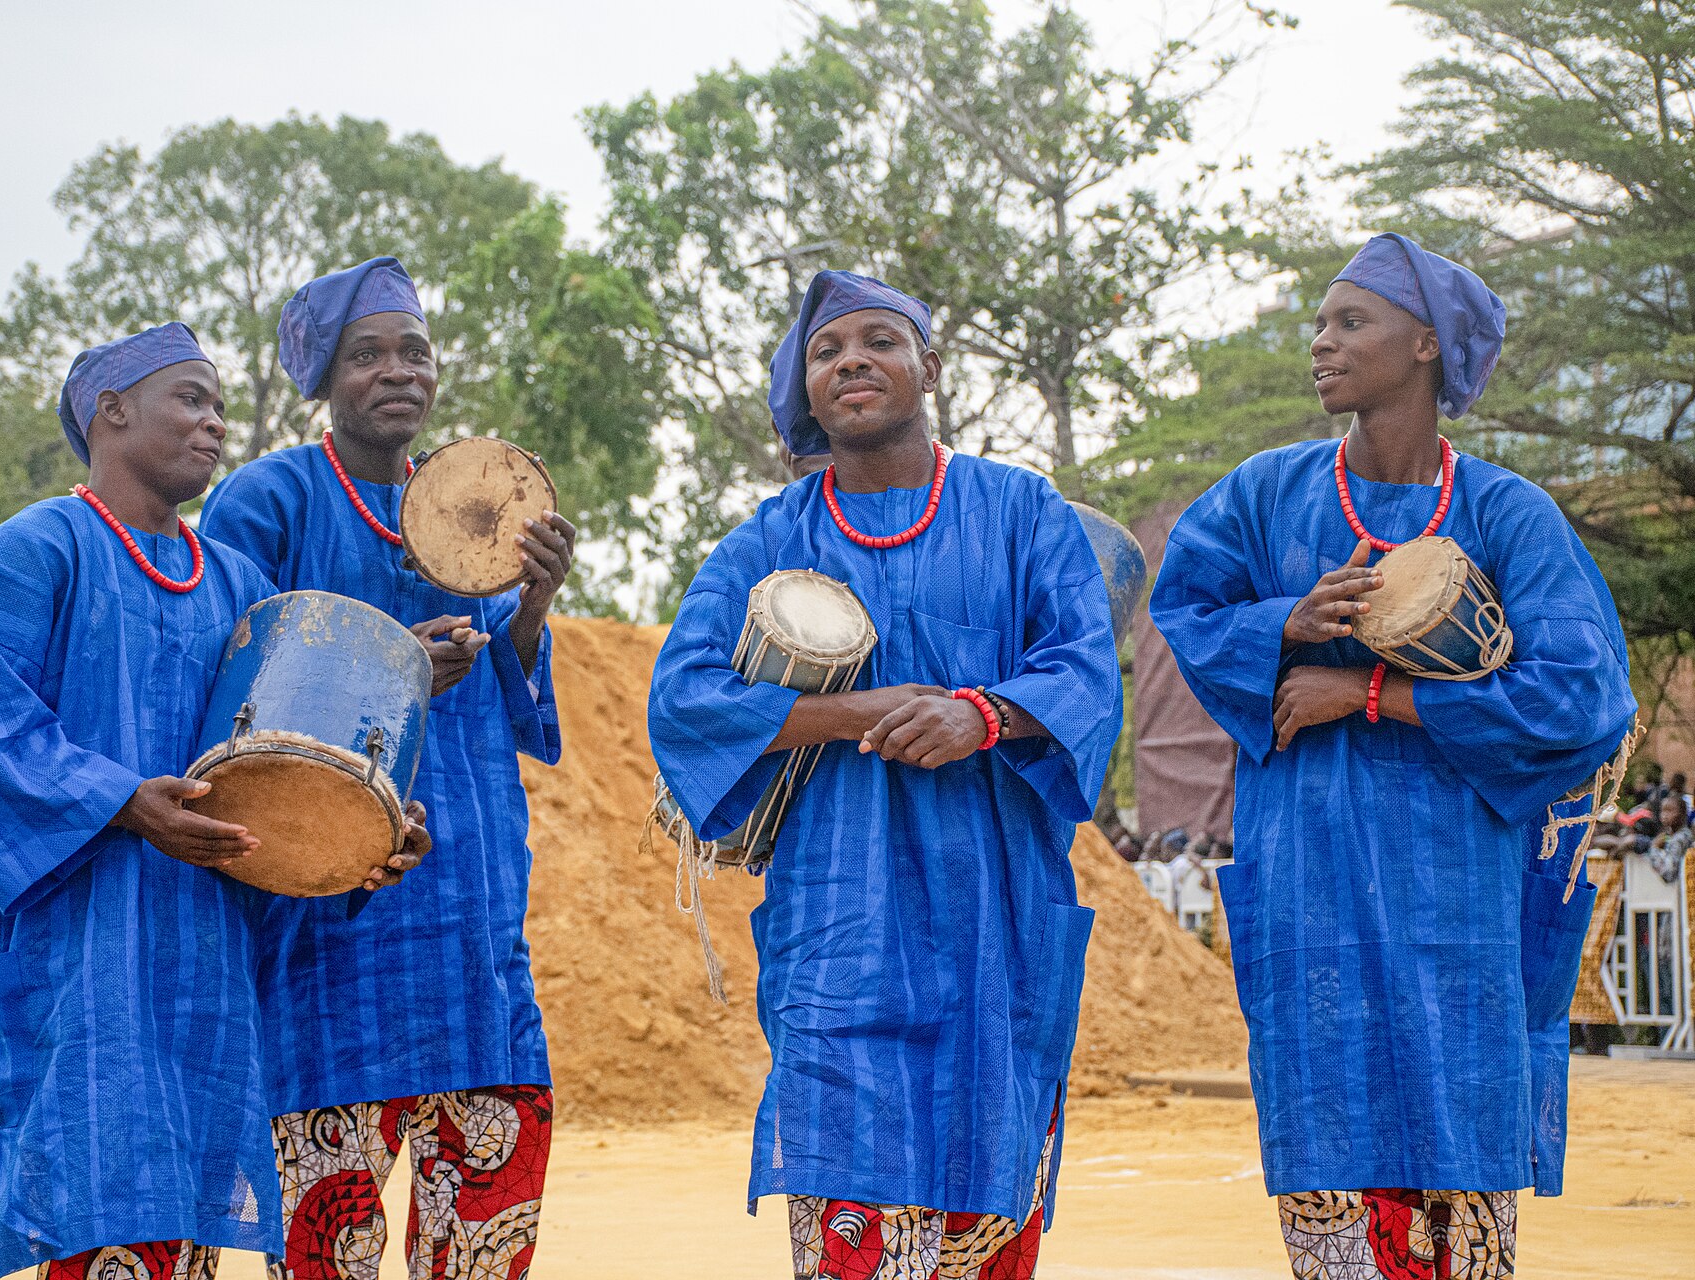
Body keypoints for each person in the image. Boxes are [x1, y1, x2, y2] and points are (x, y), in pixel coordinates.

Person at [1151, 233, 1637, 1279]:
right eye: (1319, 323)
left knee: (1461, 1191)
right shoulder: (1265, 495)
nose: (1320, 341)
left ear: (1425, 345)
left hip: (1462, 903)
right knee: (1329, 1191)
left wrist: (1370, 689)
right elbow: (1180, 606)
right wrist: (1286, 619)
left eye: (1348, 321)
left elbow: (1584, 695)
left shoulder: (1508, 512)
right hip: (1308, 899)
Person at [0, 324, 427, 1280]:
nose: (215, 424)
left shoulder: (238, 586)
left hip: (203, 968)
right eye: (191, 399)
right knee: (95, 1204)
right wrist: (119, 800)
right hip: (79, 958)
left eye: (221, 407)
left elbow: (280, 766)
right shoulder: (34, 550)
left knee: (181, 1227)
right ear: (109, 412)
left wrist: (363, 835)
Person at [648, 270, 1123, 1280]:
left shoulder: (1023, 511)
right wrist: (860, 708)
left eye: (879, 341)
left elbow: (1084, 666)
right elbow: (683, 699)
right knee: (844, 1217)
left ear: (930, 367)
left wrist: (981, 712)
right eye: (827, 350)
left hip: (998, 930)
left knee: (987, 1211)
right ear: (808, 389)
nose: (853, 360)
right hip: (838, 934)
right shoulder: (767, 538)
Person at [200, 258, 570, 1280]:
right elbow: (232, 689)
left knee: (484, 1248)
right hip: (330, 930)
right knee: (328, 1254)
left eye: (415, 350)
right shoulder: (268, 501)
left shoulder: (465, 499)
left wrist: (532, 599)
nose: (397, 371)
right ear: (322, 374)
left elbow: (509, 696)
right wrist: (394, 670)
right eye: (367, 354)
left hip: (472, 925)